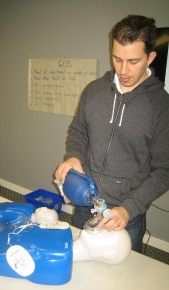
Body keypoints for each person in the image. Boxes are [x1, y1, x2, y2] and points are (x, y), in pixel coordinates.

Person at [55, 15, 169, 253]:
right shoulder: (94, 91)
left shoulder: (161, 106)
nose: (123, 70)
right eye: (117, 59)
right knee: (83, 272)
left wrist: (129, 208)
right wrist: (74, 155)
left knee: (122, 283)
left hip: (127, 214)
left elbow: (164, 170)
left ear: (151, 57)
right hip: (85, 204)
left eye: (133, 61)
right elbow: (78, 131)